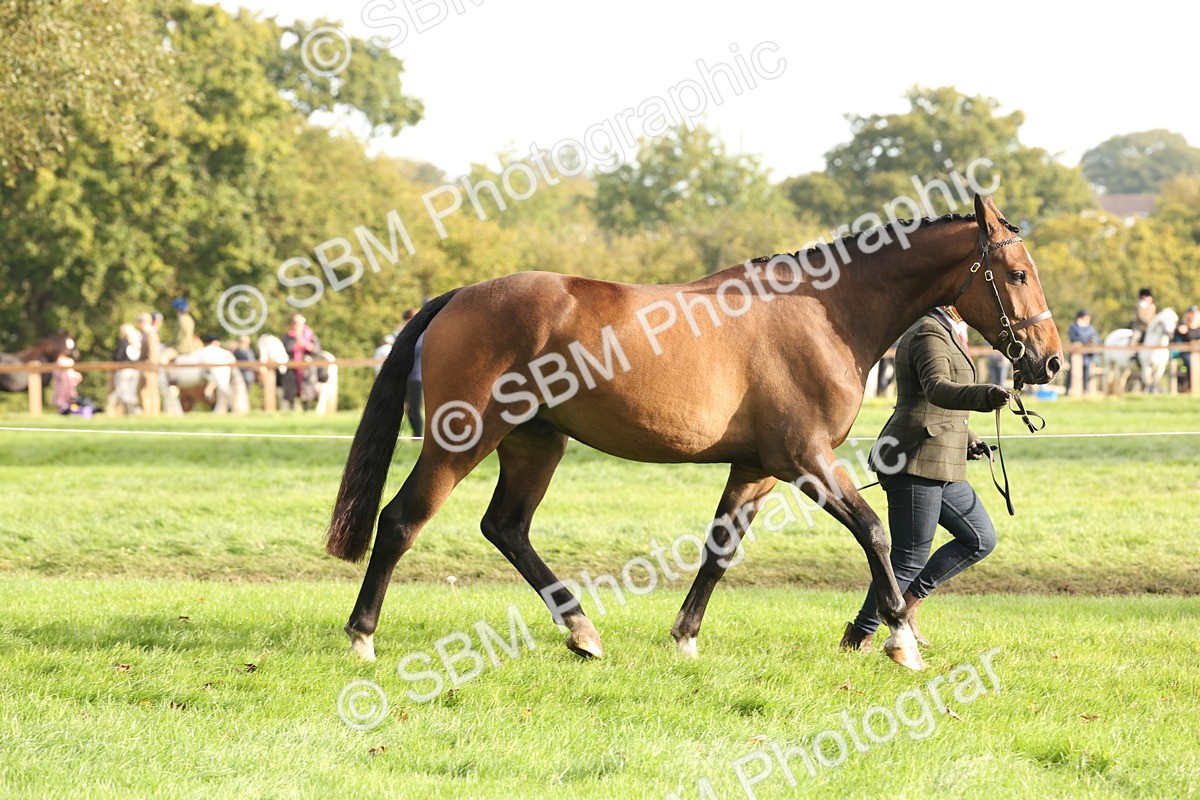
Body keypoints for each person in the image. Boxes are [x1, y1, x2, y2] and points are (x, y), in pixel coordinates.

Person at [839, 305, 1010, 652]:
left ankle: (909, 603)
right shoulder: (928, 332)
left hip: (942, 459)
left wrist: (968, 438)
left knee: (979, 538)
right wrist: (984, 395)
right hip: (913, 458)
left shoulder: (948, 331)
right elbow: (936, 389)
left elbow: (936, 407)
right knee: (908, 556)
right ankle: (859, 637)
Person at [281, 313, 321, 410]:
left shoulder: (310, 335)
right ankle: (292, 410)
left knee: (307, 389)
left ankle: (307, 409)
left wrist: (308, 346)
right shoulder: (287, 337)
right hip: (292, 367)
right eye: (295, 323)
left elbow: (317, 350)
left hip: (307, 367)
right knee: (291, 389)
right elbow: (284, 350)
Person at [397, 309, 424, 436]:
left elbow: (415, 349)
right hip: (408, 376)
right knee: (409, 409)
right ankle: (416, 434)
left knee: (414, 409)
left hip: (416, 377)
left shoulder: (420, 335)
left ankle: (418, 435)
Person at [110, 322, 143, 415]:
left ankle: (127, 412)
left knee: (122, 392)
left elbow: (118, 357)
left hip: (123, 371)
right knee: (130, 392)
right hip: (134, 371)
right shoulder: (136, 343)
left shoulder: (123, 342)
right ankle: (130, 411)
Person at [1067, 309, 1102, 394]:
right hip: (1077, 353)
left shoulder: (1090, 327)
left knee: (1086, 371)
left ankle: (1085, 389)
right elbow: (1073, 338)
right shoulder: (1073, 327)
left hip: (1087, 353)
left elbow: (1095, 336)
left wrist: (1092, 340)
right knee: (1072, 373)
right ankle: (1068, 389)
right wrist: (1085, 342)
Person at [1174, 305, 1200, 390]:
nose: (1193, 315)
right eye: (1191, 313)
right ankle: (1190, 386)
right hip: (1186, 352)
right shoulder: (1183, 326)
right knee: (1192, 363)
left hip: (1198, 352)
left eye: (1194, 313)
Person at [1130, 288, 1156, 367]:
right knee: (1135, 337)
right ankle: (1134, 353)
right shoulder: (1139, 306)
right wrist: (1150, 323)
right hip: (1140, 327)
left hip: (1151, 328)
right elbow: (1141, 317)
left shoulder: (1152, 306)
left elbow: (1154, 316)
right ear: (1142, 297)